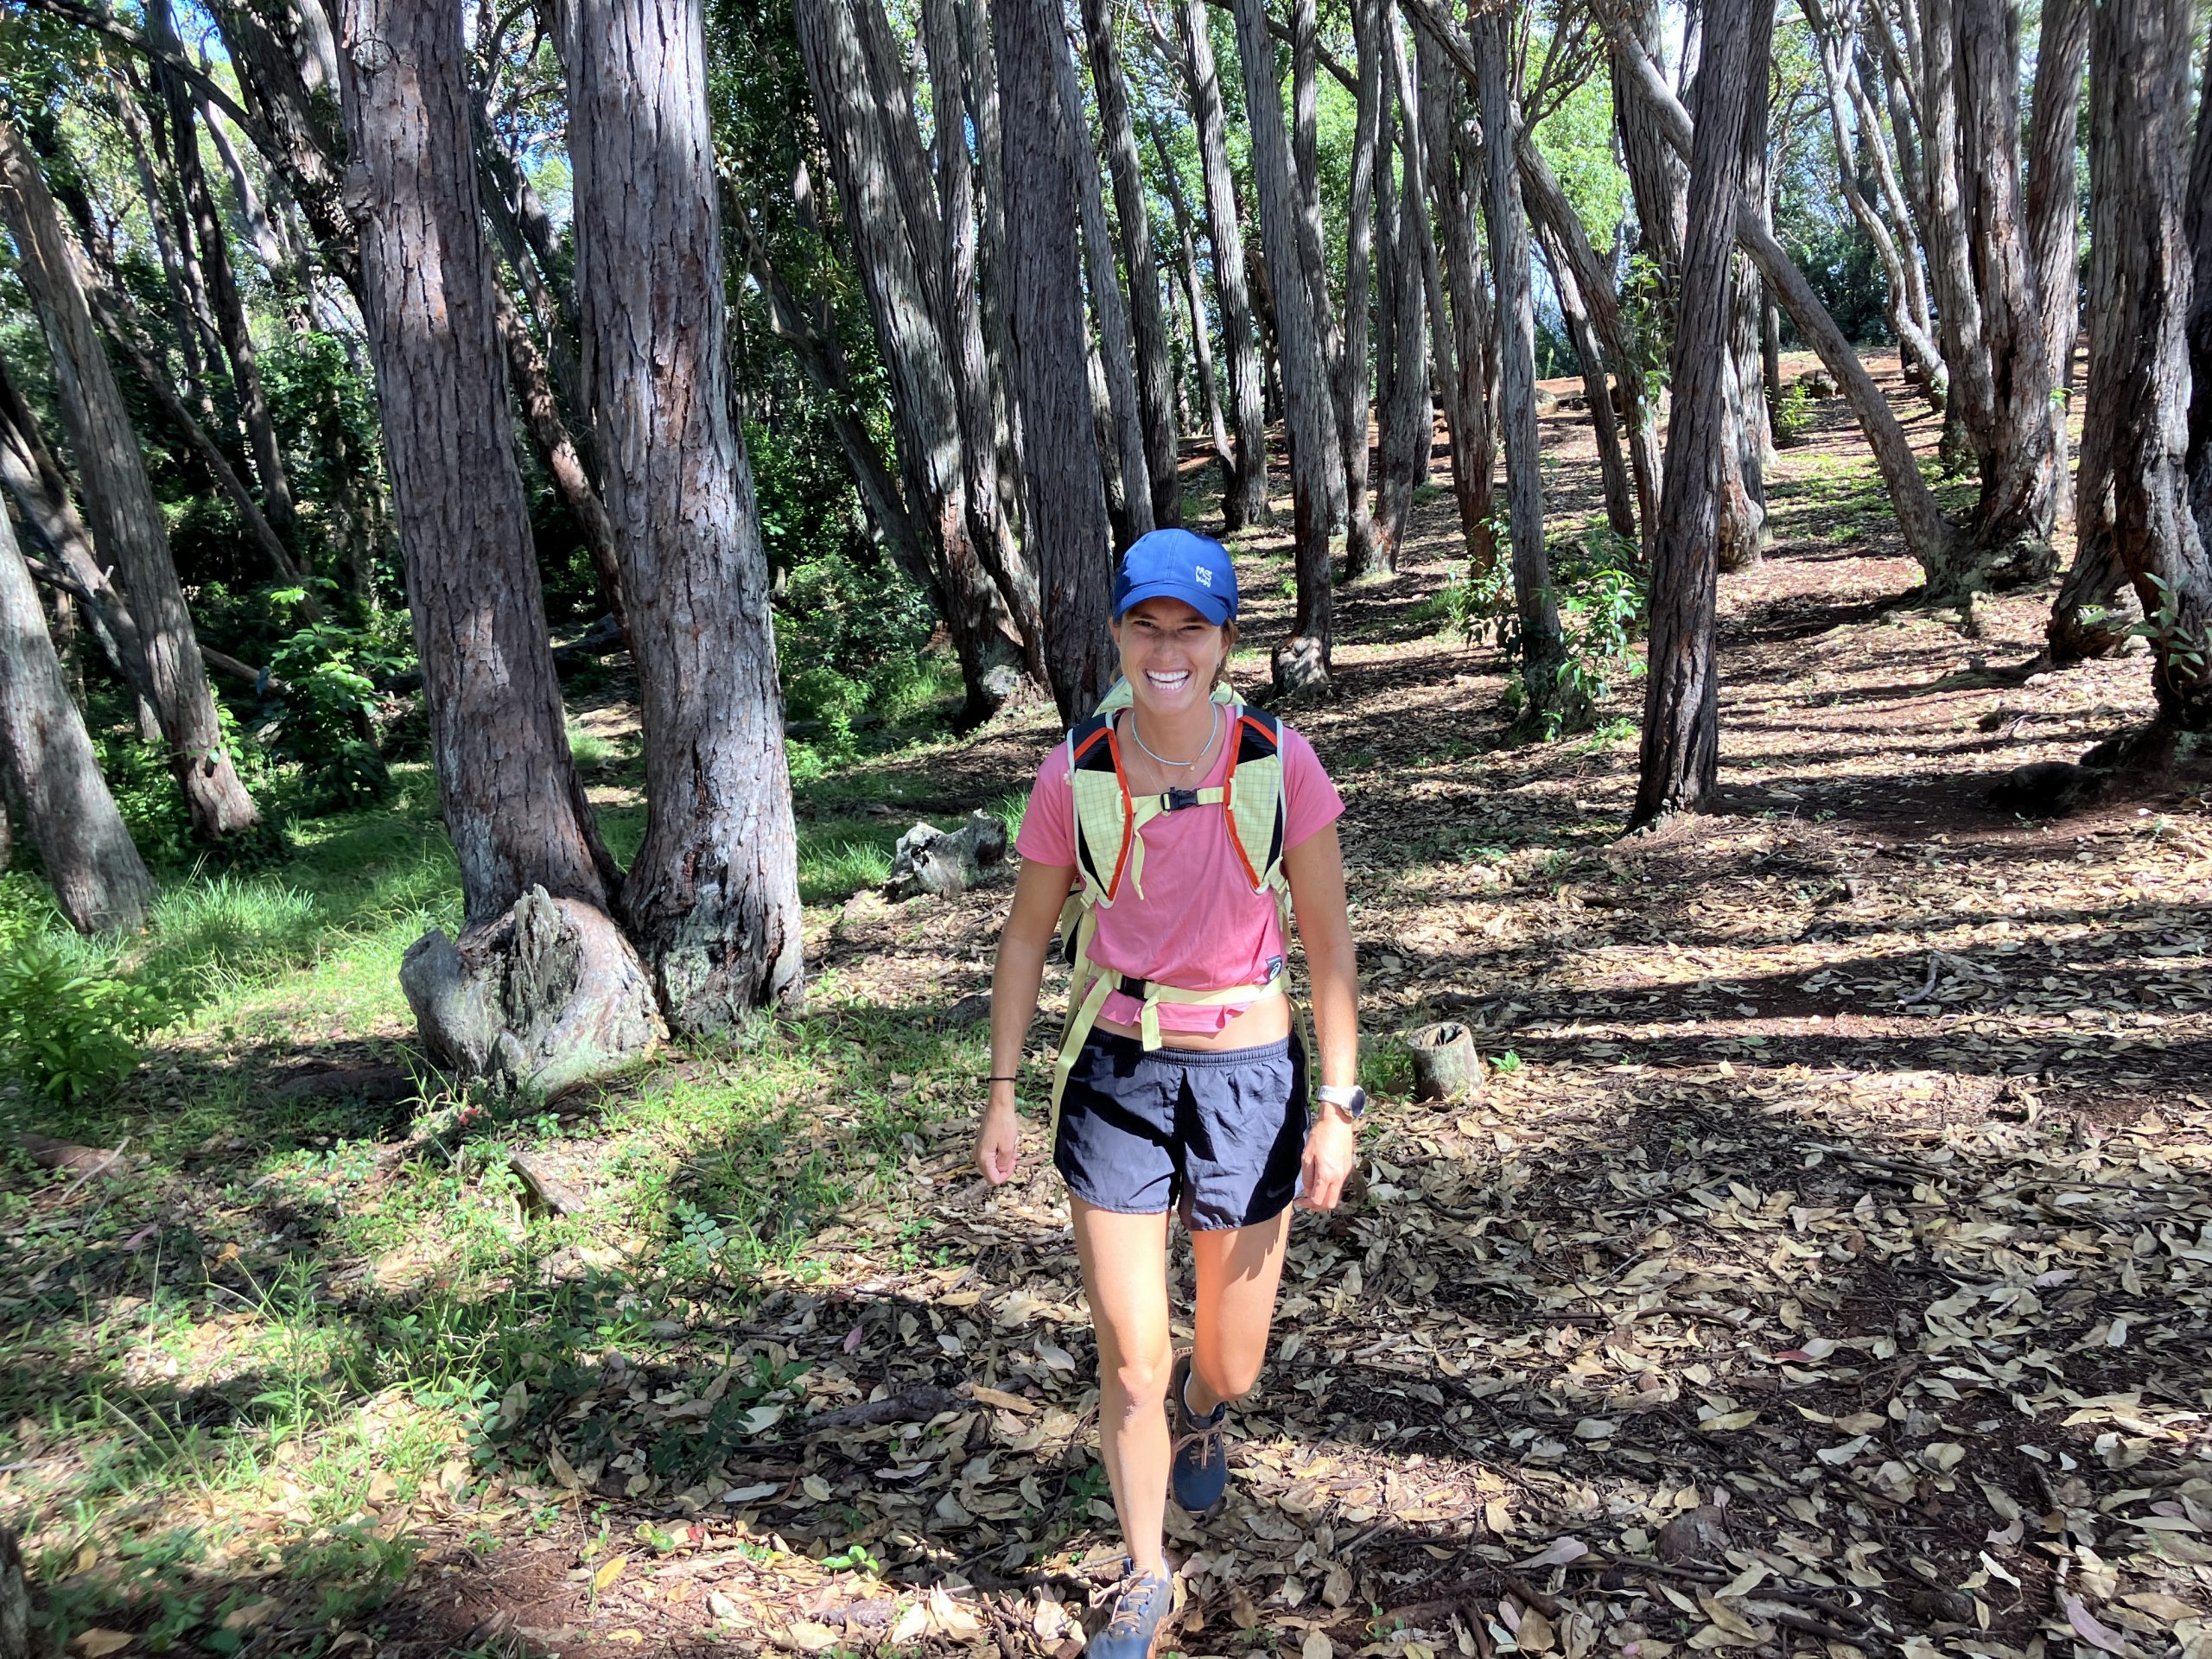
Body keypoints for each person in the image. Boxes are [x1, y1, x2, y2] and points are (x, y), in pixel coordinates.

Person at [974, 528, 1363, 1657]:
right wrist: (1003, 1089)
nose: (1167, 648)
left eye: (1190, 627)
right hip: (1119, 1074)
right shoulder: (1078, 772)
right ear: (1120, 634)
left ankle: (1207, 1417)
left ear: (1224, 639)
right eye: (1147, 624)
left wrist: (1337, 1104)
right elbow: (1026, 939)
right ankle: (1145, 1575)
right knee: (1132, 1357)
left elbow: (1331, 949)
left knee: (1224, 1361)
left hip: (1251, 1076)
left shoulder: (1279, 765)